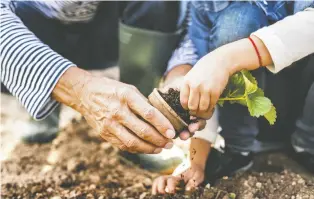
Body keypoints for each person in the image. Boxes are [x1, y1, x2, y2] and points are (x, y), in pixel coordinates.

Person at [1, 1, 206, 153]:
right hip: (33, 26)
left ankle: (140, 123)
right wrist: (79, 90)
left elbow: (195, 11)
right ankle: (43, 106)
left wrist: (180, 71)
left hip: (111, 30)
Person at [152, 1, 314, 194]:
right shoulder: (205, 5)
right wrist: (196, 163)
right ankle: (238, 153)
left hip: (303, 102)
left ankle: (308, 147)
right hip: (248, 128)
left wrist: (227, 58)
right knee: (236, 21)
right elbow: (201, 69)